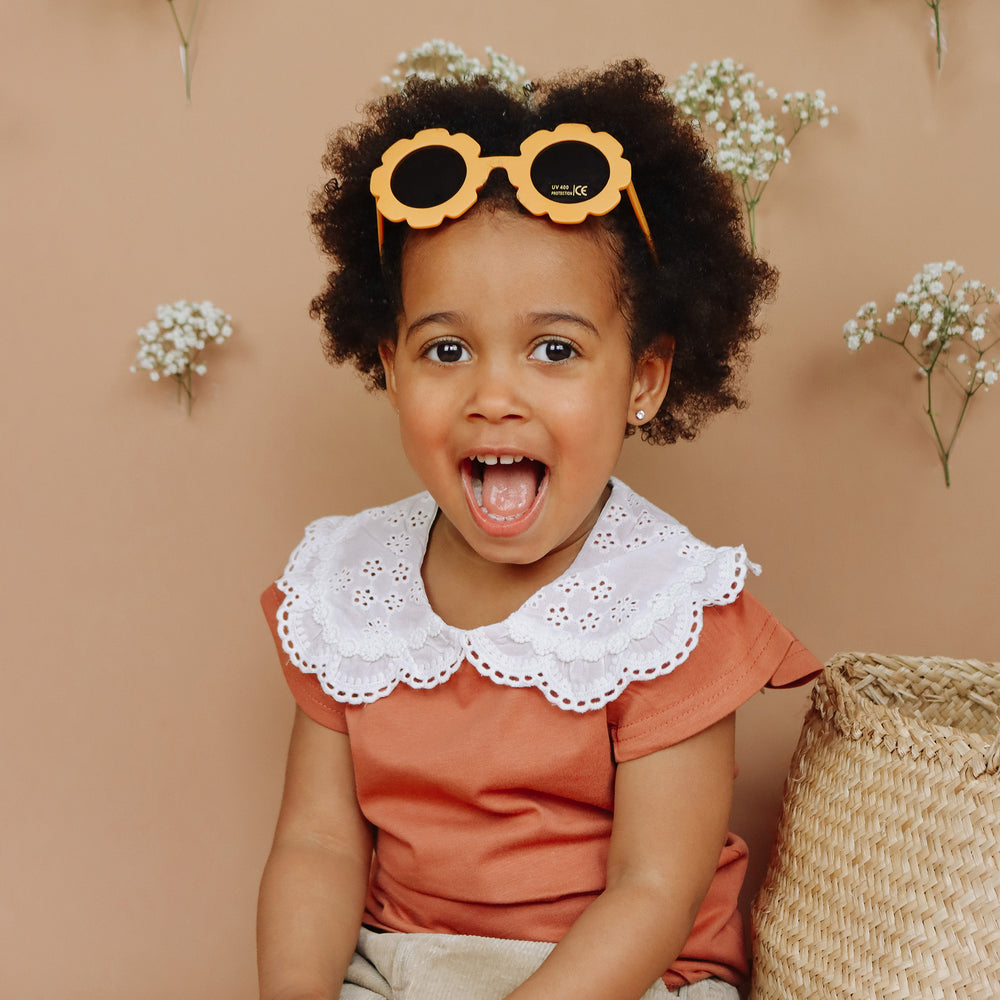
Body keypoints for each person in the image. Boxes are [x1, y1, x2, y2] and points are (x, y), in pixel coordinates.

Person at [257, 59, 820, 1000]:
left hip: (619, 975)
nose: (494, 396)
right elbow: (316, 844)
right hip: (398, 963)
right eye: (446, 349)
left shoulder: (666, 608)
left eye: (554, 349)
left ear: (644, 380)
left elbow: (653, 890)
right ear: (390, 368)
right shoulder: (345, 587)